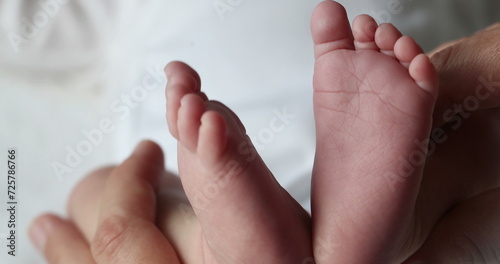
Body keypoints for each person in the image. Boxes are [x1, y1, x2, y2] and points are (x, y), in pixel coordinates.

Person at [30, 1, 500, 263]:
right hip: (384, 91)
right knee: (455, 141)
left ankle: (205, 249)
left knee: (109, 189)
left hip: (198, 165)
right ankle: (418, 206)